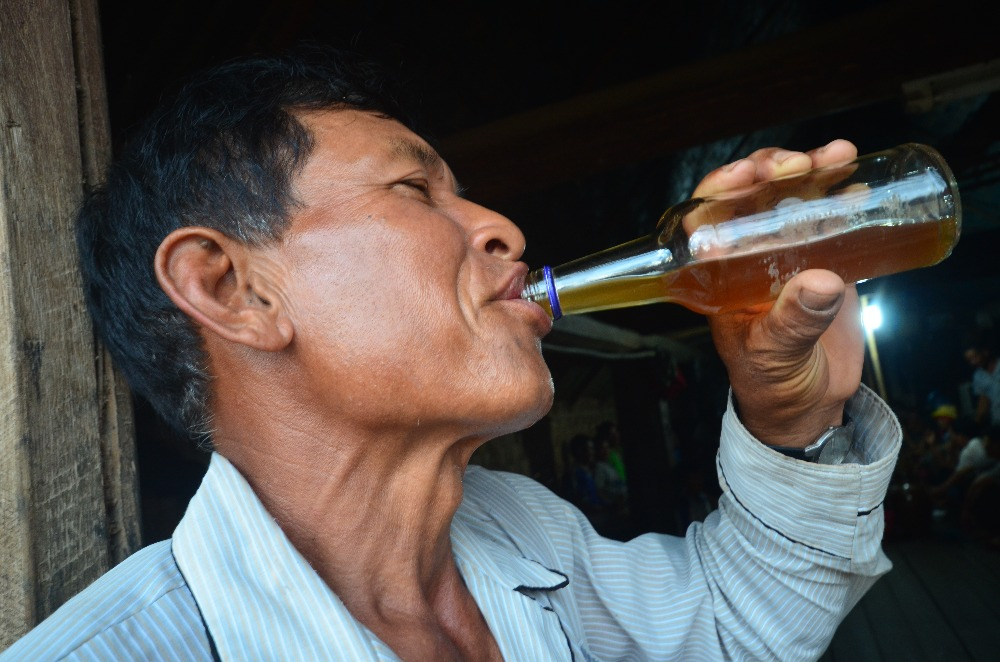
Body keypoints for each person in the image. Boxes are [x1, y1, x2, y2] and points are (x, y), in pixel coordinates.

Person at [2, 44, 901, 661]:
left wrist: (793, 424)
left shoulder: (519, 531)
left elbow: (734, 630)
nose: (504, 228)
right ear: (234, 290)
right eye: (412, 187)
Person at [964, 330, 1000, 426]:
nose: (973, 362)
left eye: (974, 357)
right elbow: (983, 399)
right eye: (969, 360)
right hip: (997, 422)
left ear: (985, 352)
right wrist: (976, 421)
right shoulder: (977, 377)